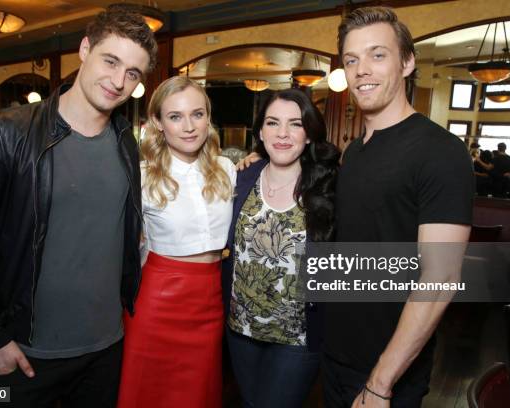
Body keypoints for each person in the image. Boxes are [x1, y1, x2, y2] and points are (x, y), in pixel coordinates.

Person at [0, 4, 157, 407]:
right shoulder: (7, 132)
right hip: (24, 353)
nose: (118, 81)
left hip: (106, 348)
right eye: (110, 61)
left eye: (132, 73)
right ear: (84, 49)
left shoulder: (126, 142)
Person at [323, 7, 474, 407]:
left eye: (377, 55)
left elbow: (439, 278)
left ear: (407, 62)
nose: (361, 70)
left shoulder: (440, 152)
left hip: (387, 374)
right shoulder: (354, 151)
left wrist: (380, 382)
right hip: (336, 358)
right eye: (351, 60)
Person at [117, 76, 236, 408]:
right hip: (157, 301)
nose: (188, 126)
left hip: (210, 300)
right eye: (175, 116)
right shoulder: (139, 175)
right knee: (147, 394)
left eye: (197, 114)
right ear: (157, 122)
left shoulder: (228, 168)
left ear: (208, 118)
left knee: (196, 395)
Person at [223, 88, 340, 407]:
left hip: (298, 339)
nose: (283, 134)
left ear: (309, 133)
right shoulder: (242, 178)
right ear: (260, 131)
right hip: (240, 330)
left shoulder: (328, 187)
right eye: (273, 123)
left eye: (296, 124)